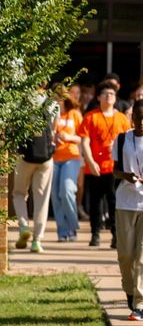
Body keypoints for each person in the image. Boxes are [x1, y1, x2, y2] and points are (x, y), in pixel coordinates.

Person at [112, 100, 143, 321]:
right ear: (132, 118)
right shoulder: (122, 139)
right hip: (125, 201)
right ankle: (130, 291)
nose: (142, 122)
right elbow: (114, 170)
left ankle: (141, 303)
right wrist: (126, 176)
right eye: (138, 117)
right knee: (125, 254)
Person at [79, 80, 131, 248]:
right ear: (99, 97)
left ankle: (115, 235)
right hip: (94, 167)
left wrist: (117, 146)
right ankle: (95, 234)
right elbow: (84, 142)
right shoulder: (91, 116)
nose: (109, 96)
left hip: (114, 168)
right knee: (95, 202)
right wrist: (90, 161)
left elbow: (128, 142)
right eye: (105, 94)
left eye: (112, 94)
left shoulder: (122, 119)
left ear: (115, 98)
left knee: (114, 201)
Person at [13, 91, 57, 253]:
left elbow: (13, 126)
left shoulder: (21, 100)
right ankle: (37, 241)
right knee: (42, 198)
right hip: (45, 157)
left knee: (18, 193)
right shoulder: (51, 103)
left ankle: (24, 226)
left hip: (25, 156)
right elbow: (53, 131)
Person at [52, 88, 83, 243]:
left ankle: (72, 227)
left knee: (67, 191)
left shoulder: (75, 114)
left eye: (59, 97)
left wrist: (69, 137)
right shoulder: (51, 114)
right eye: (54, 97)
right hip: (53, 158)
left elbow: (83, 138)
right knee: (56, 196)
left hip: (71, 156)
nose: (57, 100)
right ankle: (62, 231)